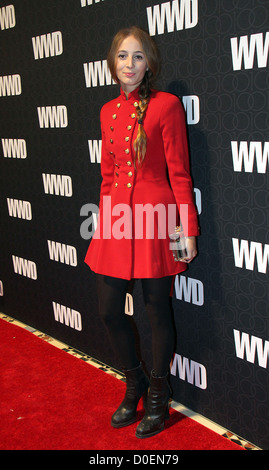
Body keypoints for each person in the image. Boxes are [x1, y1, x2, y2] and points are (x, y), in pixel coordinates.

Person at [85, 26, 199, 439]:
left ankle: (157, 393)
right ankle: (132, 383)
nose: (129, 64)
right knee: (108, 309)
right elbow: (107, 175)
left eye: (137, 56)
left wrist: (187, 229)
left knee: (156, 310)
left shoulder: (166, 106)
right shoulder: (106, 112)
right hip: (117, 219)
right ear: (112, 63)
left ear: (149, 62)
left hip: (156, 218)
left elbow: (181, 175)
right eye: (122, 56)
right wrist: (103, 221)